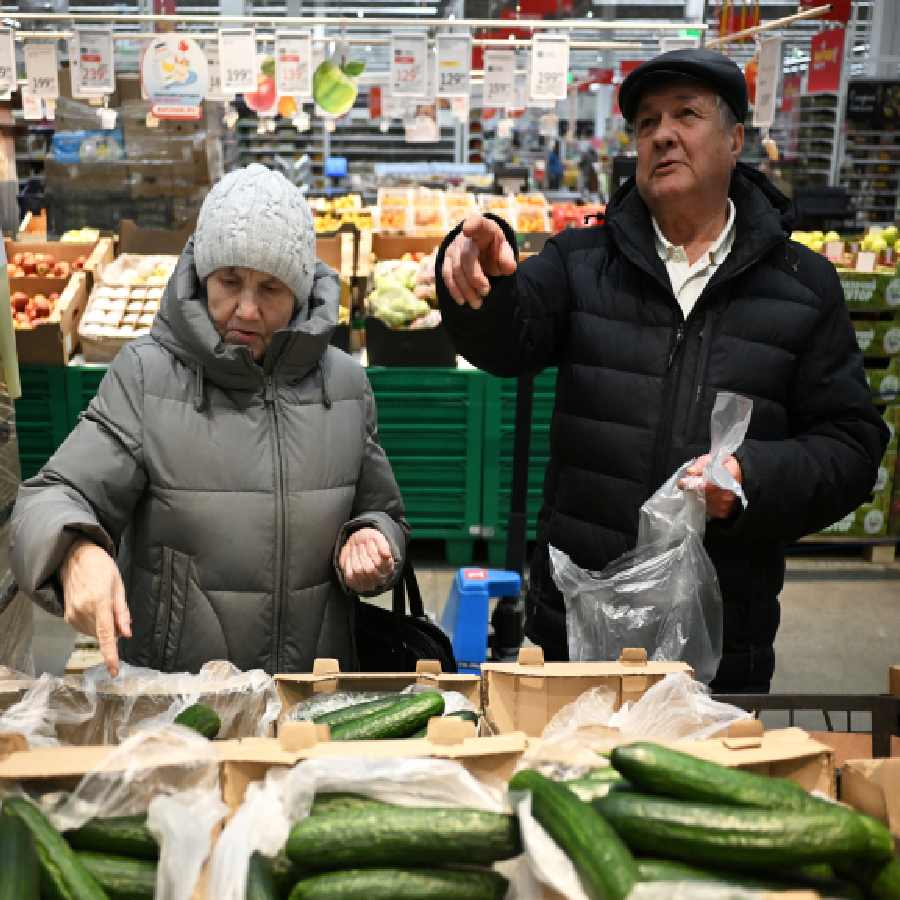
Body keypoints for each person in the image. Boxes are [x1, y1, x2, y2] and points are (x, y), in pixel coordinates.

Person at [436, 49, 889, 692]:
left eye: (686, 114)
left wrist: (751, 476)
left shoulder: (803, 285)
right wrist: (478, 282)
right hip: (577, 634)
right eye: (647, 122)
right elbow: (508, 339)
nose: (663, 133)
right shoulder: (581, 261)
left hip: (722, 645)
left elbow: (852, 445)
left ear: (735, 138)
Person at [10, 165, 408, 677]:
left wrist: (372, 540)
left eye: (270, 288)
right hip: (180, 701)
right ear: (202, 277)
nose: (246, 307)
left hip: (310, 698)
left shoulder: (346, 387)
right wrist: (74, 550)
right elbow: (48, 498)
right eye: (230, 281)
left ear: (301, 292)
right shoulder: (147, 377)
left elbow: (385, 515)